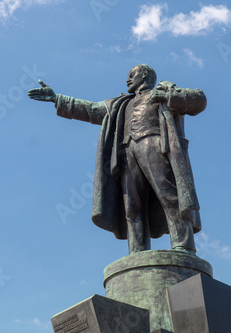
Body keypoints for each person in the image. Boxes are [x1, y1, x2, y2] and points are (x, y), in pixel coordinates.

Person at [28, 64, 207, 254]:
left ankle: (184, 245)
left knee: (169, 195)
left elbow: (199, 99)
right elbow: (91, 109)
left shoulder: (162, 90)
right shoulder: (120, 104)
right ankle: (138, 253)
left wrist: (170, 97)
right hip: (126, 153)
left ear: (144, 75)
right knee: (132, 206)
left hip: (154, 144)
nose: (128, 79)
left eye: (132, 75)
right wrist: (58, 99)